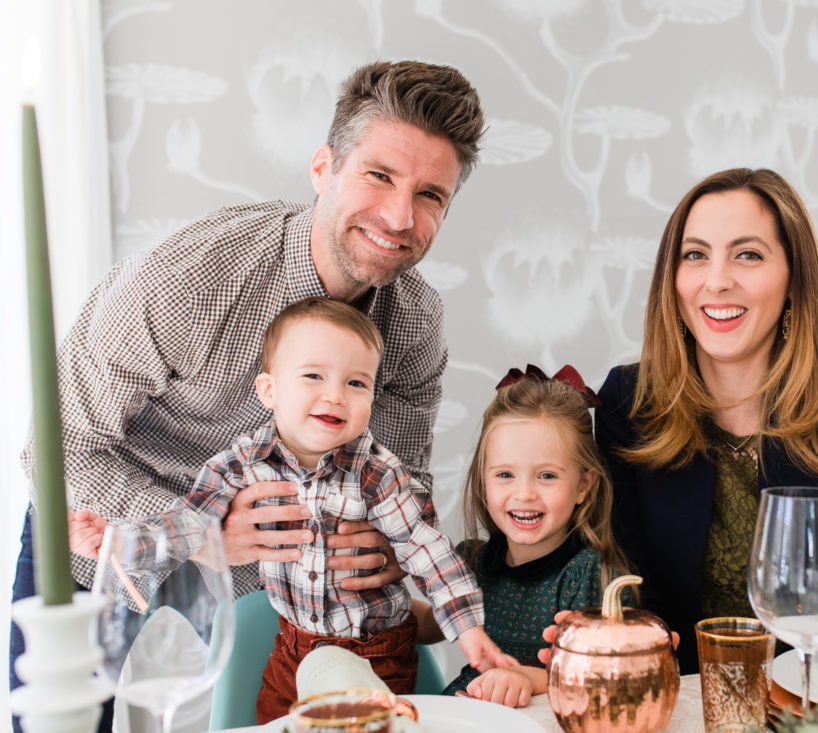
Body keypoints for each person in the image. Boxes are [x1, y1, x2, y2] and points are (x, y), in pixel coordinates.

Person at [13, 59, 485, 732]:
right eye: (378, 175)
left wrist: (386, 540)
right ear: (323, 166)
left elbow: (401, 481)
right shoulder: (190, 279)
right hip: (101, 557)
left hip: (271, 602)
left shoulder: (415, 324)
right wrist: (204, 535)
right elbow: (57, 452)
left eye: (431, 194)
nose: (399, 215)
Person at [69, 298, 514, 721]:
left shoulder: (378, 474)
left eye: (356, 383)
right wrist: (124, 540)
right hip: (291, 649)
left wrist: (469, 631)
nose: (336, 395)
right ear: (269, 390)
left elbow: (428, 550)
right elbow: (190, 522)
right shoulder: (240, 463)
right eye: (313, 376)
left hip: (376, 656)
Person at [594, 168, 818, 675]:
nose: (717, 279)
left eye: (747, 254)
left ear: (794, 277)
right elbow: (635, 598)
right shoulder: (628, 404)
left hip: (817, 705)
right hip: (680, 704)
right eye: (695, 254)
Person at [412, 364, 626, 708]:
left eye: (546, 475)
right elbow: (429, 625)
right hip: (469, 708)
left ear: (584, 485)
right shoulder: (474, 560)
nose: (524, 494)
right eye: (505, 474)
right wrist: (381, 603)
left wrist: (523, 677)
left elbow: (599, 674)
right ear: (484, 480)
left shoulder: (588, 575)